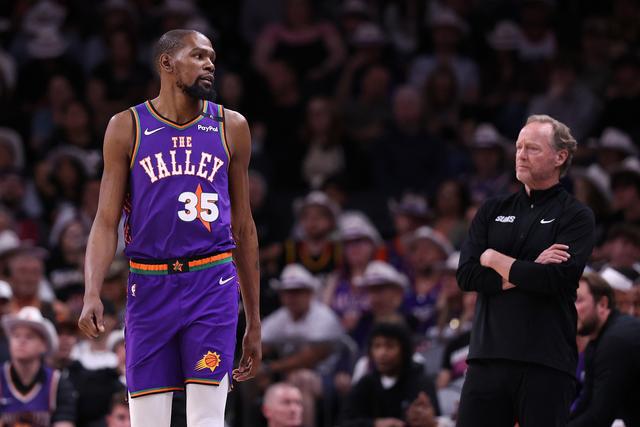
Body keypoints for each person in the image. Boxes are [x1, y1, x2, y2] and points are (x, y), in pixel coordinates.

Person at [78, 29, 261, 427]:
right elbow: (105, 221)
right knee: (148, 422)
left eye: (212, 58)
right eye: (198, 56)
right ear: (167, 63)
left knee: (207, 420)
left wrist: (254, 321)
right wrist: (91, 291)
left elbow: (244, 228)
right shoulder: (126, 126)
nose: (209, 64)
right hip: (148, 286)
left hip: (212, 282)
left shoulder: (231, 126)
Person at [456, 114, 596, 427]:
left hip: (546, 361)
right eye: (519, 147)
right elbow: (466, 275)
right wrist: (529, 269)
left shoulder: (576, 215)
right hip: (487, 357)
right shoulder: (492, 209)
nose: (521, 154)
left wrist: (493, 258)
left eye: (532, 148)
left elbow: (555, 278)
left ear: (560, 157)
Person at [570, 273, 640, 426]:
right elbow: (585, 402)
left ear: (602, 304)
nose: (571, 309)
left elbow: (600, 416)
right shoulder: (597, 339)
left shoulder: (616, 340)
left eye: (578, 300)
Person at [341, 322, 440, 427]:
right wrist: (374, 424)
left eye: (390, 346)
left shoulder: (422, 383)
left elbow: (437, 419)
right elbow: (343, 422)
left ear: (404, 350)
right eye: (377, 346)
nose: (382, 353)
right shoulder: (365, 383)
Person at [1, 306, 77, 426]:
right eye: (16, 336)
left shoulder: (58, 383)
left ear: (44, 345)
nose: (21, 341)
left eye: (29, 336)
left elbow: (64, 423)